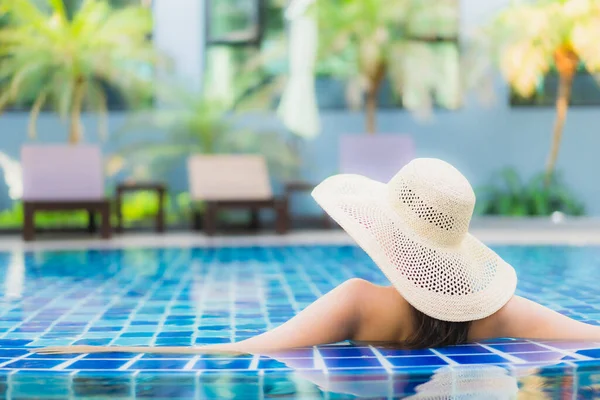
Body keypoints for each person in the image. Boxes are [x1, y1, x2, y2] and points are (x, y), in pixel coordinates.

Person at [36, 158, 600, 356]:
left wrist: (103, 346)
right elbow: (588, 337)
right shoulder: (496, 315)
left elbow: (241, 350)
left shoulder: (358, 304)